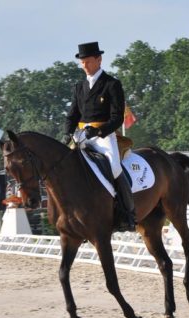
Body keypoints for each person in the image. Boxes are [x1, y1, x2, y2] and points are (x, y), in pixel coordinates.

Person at [62, 41, 135, 231]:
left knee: (114, 167)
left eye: (87, 61)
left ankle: (126, 213)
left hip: (103, 136)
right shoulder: (79, 86)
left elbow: (117, 117)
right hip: (81, 135)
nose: (84, 65)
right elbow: (72, 114)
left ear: (99, 59)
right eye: (82, 61)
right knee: (64, 167)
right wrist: (67, 132)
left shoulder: (111, 84)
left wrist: (99, 131)